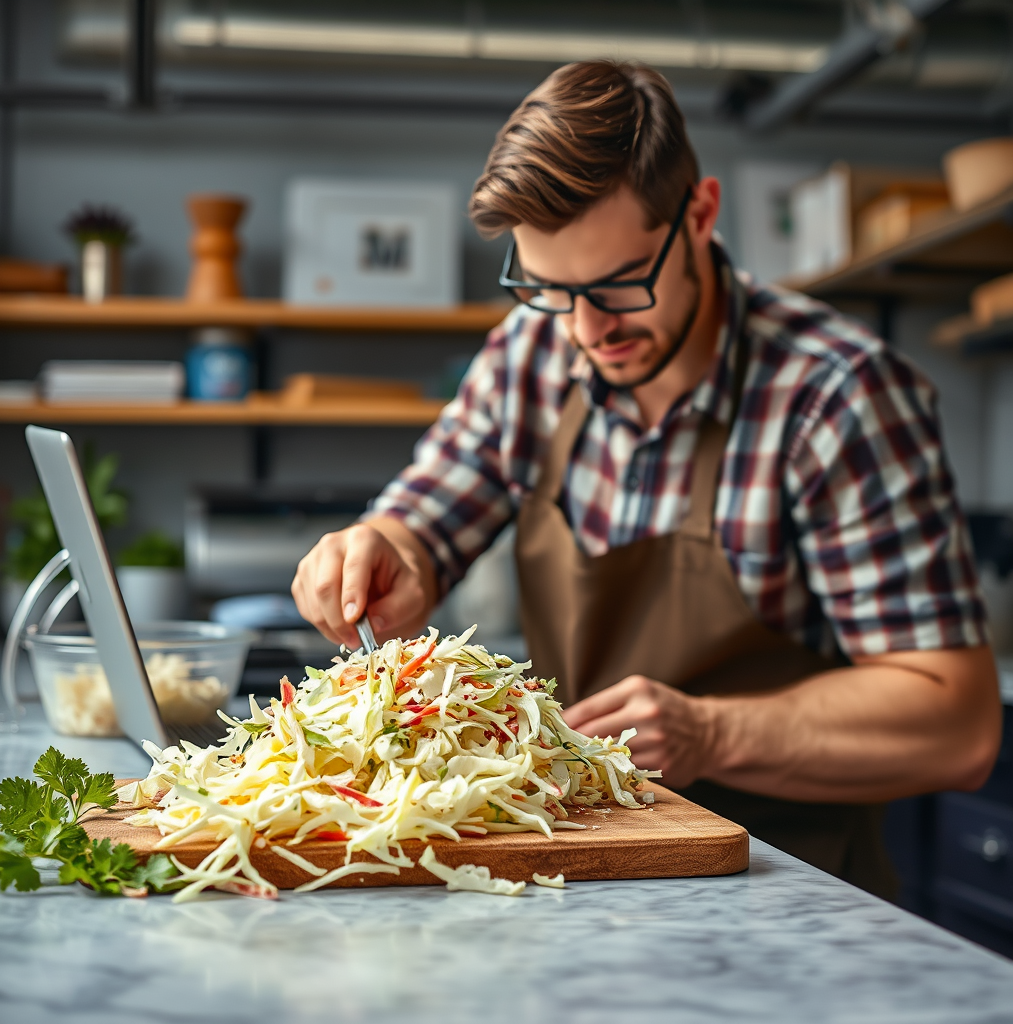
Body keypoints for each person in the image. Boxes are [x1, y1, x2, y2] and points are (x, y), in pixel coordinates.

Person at [292, 60, 1001, 896]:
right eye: (550, 289)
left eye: (621, 284)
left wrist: (709, 733)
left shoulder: (836, 398)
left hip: (790, 896)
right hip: (575, 879)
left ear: (699, 215)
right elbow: (425, 518)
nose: (590, 329)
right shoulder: (534, 354)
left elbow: (956, 723)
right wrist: (387, 549)